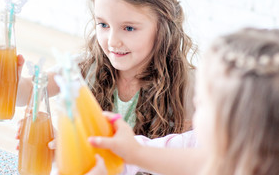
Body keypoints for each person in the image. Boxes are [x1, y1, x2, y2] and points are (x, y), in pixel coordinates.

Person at [0, 0, 196, 138]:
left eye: (128, 28)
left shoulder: (189, 89)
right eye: (103, 24)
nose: (112, 41)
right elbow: (27, 93)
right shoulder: (84, 67)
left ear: (164, 27)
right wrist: (7, 82)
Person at [88, 28, 279, 175]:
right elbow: (146, 153)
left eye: (203, 101)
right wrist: (128, 152)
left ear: (237, 125)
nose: (194, 103)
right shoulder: (199, 146)